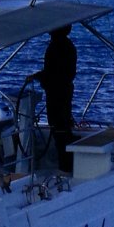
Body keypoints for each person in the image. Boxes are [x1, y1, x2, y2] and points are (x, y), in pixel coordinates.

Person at [39, 25, 77, 169]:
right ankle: (65, 162)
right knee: (62, 126)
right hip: (63, 90)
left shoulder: (57, 47)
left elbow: (53, 72)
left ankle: (65, 164)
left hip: (57, 92)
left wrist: (38, 77)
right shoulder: (67, 45)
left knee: (59, 127)